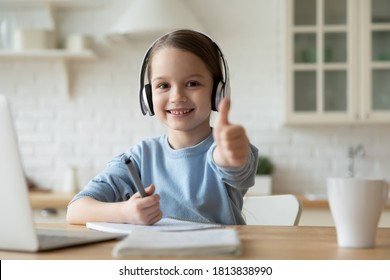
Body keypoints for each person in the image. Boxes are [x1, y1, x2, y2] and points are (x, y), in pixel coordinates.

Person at [66, 29, 258, 225]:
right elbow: (76, 210)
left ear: (218, 92)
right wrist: (125, 212)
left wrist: (229, 156)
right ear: (148, 97)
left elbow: (229, 163)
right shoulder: (139, 158)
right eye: (163, 85)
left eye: (192, 83)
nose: (177, 97)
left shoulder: (228, 150)